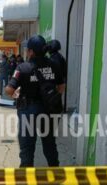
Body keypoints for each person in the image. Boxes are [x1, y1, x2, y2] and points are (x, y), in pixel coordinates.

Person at [5, 35, 66, 167]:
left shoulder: (22, 68)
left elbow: (9, 90)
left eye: (28, 50)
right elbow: (61, 87)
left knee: (27, 148)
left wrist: (17, 95)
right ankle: (55, 174)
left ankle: (27, 180)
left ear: (31, 51)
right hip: (49, 111)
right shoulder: (54, 65)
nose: (27, 52)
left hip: (28, 110)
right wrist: (52, 98)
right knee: (49, 144)